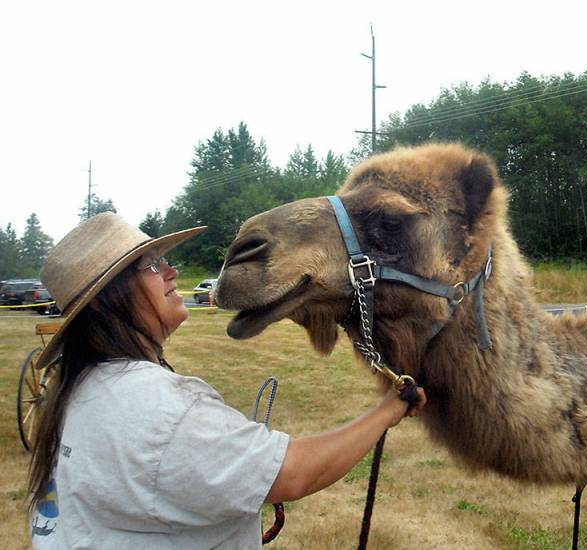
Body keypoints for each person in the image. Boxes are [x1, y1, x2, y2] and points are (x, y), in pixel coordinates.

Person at [28, 212, 425, 549]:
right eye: (151, 265)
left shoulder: (79, 392)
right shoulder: (160, 410)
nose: (171, 271)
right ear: (103, 300)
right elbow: (292, 474)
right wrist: (387, 411)